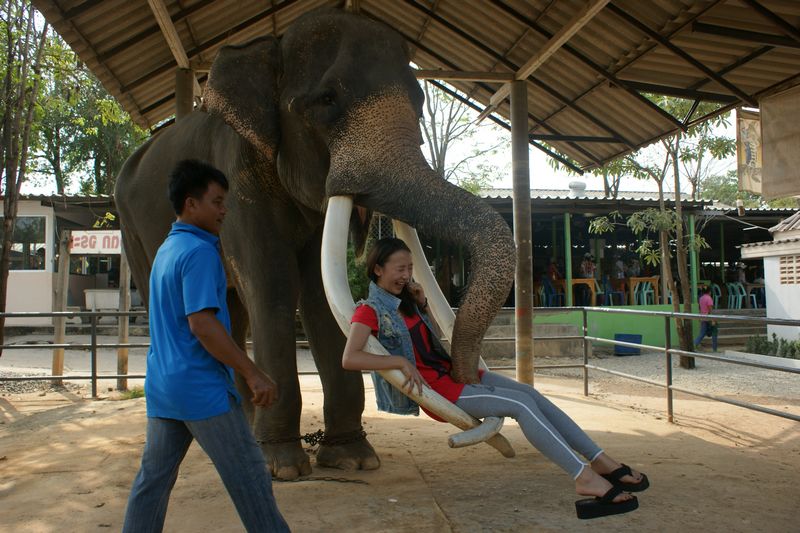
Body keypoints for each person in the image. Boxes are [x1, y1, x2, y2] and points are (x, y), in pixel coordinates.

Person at [342, 238, 648, 520]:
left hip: (455, 372)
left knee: (530, 395)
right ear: (378, 269)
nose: (406, 275)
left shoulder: (407, 302)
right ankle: (583, 477)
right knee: (521, 406)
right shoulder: (369, 311)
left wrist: (422, 305)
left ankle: (601, 460)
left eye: (409, 268)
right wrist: (395, 361)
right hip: (437, 389)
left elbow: (433, 338)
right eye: (400, 269)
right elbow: (350, 358)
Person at [122, 160, 290, 532]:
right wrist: (253, 372)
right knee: (250, 477)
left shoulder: (167, 250)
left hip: (164, 388)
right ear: (190, 204)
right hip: (202, 391)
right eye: (216, 201)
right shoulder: (199, 253)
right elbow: (202, 324)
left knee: (152, 484)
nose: (223, 210)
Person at [694, 286, 718, 352]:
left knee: (702, 333)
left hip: (703, 317)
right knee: (714, 333)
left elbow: (700, 308)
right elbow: (710, 310)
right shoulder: (709, 298)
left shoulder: (701, 298)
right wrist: (713, 319)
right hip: (708, 318)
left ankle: (694, 344)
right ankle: (714, 349)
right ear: (709, 292)